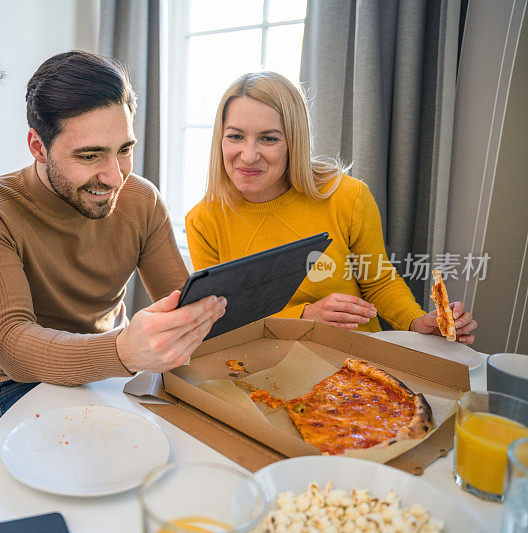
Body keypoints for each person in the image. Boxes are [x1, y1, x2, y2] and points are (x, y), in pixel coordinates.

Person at [0, 51, 226, 425]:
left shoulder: (142, 200)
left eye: (124, 150)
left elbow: (183, 302)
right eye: (90, 156)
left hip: (116, 367)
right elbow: (13, 346)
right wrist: (124, 350)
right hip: (23, 382)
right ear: (37, 147)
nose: (115, 177)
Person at [185, 72, 477, 342]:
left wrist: (416, 323)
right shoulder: (203, 221)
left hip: (356, 360)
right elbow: (224, 317)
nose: (248, 156)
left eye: (269, 138)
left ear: (294, 142)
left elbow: (379, 282)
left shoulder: (347, 197)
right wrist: (306, 316)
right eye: (235, 136)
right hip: (262, 366)